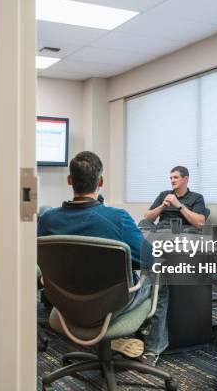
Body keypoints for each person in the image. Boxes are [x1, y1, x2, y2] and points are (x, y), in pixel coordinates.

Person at [38, 151, 168, 366]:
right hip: (110, 309)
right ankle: (153, 349)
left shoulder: (47, 220)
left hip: (65, 306)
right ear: (101, 181)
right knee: (159, 278)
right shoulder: (117, 219)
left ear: (70, 180)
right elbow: (150, 261)